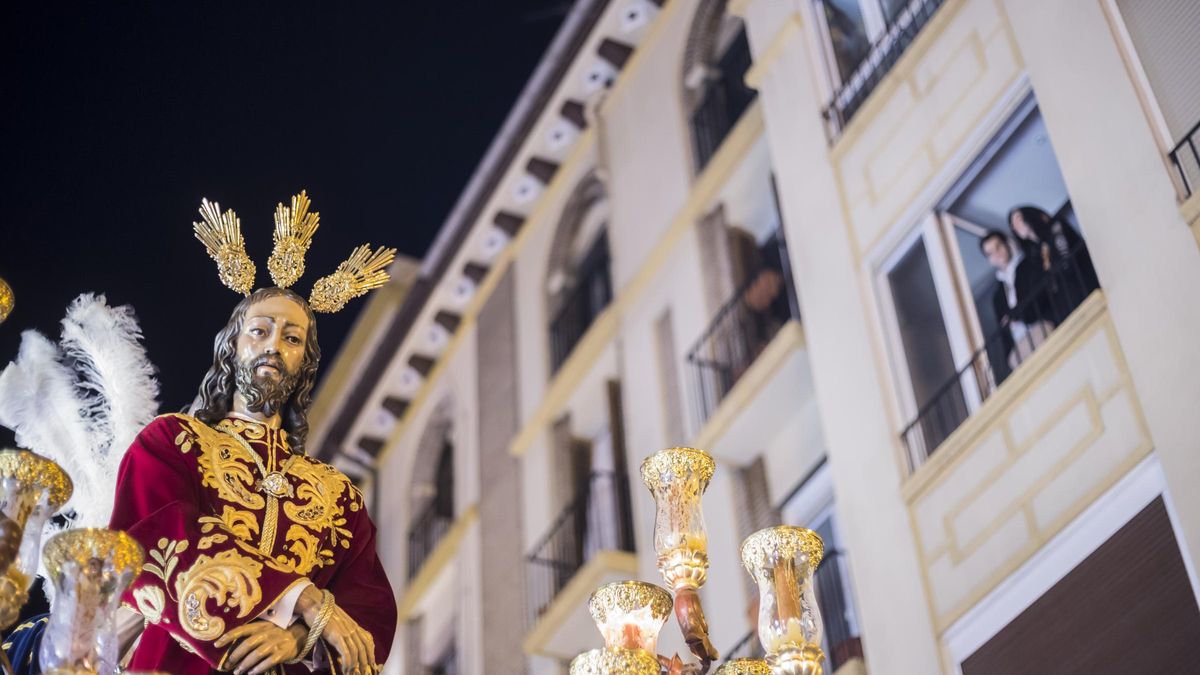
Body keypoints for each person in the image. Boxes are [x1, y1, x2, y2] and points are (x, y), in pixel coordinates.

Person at [107, 193, 398, 674]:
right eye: (259, 331)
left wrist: (296, 638)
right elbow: (150, 537)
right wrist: (298, 596)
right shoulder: (174, 443)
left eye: (291, 338)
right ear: (232, 347)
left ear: (305, 364)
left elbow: (368, 612)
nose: (273, 346)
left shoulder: (338, 496)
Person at [1007, 205, 1100, 321]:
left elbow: (1066, 260)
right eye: (1012, 225)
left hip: (1085, 288)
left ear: (1029, 214)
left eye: (1018, 219)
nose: (1016, 226)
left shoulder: (1055, 227)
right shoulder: (1034, 256)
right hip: (1068, 306)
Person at [980, 230, 1052, 372]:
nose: (997, 253)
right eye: (990, 253)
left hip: (1039, 326)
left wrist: (1016, 314)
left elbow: (1040, 297)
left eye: (998, 247)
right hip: (1018, 344)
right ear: (989, 259)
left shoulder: (1027, 265)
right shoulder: (997, 295)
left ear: (1006, 244)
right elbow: (1004, 330)